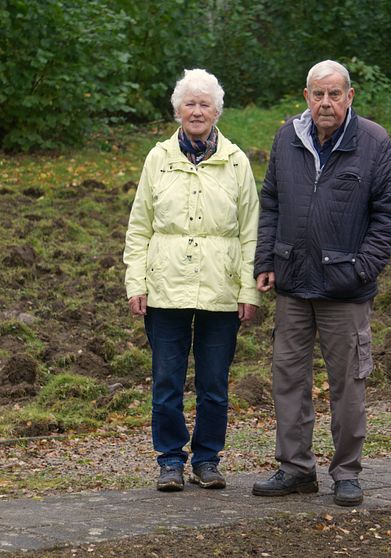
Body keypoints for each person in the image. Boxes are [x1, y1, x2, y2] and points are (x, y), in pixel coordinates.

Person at [251, 60, 391, 507]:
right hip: (293, 283)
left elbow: (390, 215)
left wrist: (363, 268)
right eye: (317, 94)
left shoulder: (373, 142)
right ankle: (295, 469)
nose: (325, 103)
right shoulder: (287, 137)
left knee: (348, 384)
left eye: (334, 94)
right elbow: (273, 202)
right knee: (288, 380)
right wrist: (267, 258)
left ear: (350, 96)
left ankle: (346, 473)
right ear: (306, 97)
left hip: (345, 288)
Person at [123, 68, 260, 492]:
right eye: (190, 103)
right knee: (167, 381)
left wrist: (248, 288)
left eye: (205, 104)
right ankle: (169, 460)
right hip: (166, 287)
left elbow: (251, 230)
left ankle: (206, 460)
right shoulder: (157, 159)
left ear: (217, 111)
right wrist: (136, 282)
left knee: (214, 383)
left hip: (220, 288)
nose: (197, 111)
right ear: (177, 110)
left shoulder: (236, 162)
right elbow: (139, 225)